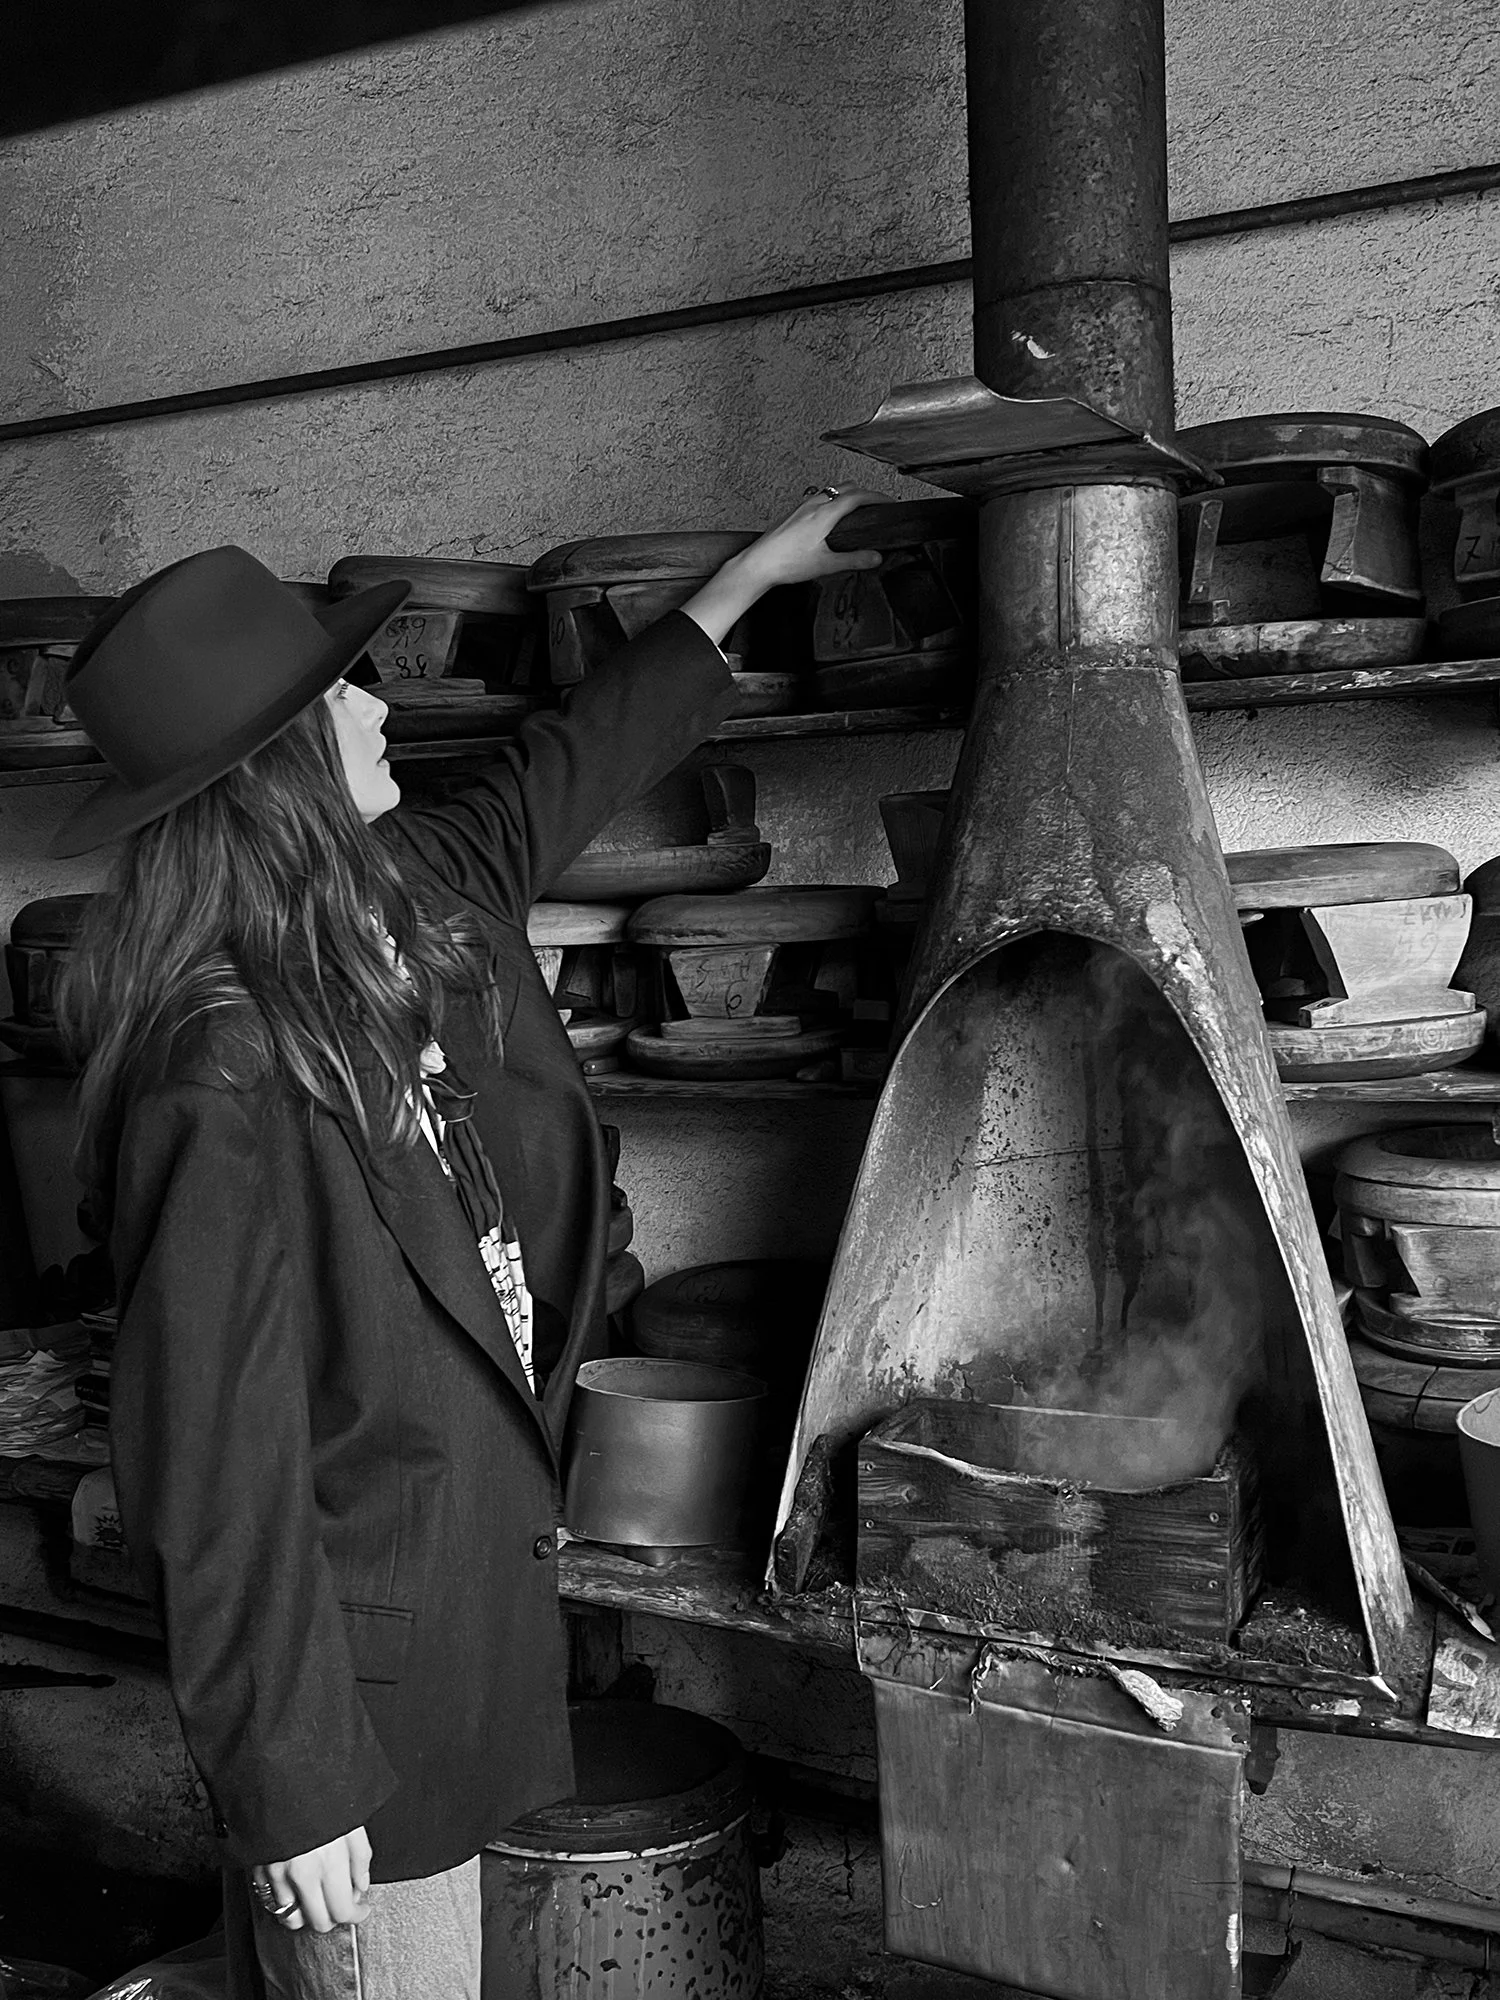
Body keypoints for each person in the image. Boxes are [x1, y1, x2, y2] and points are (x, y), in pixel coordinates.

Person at [52, 491, 881, 2000]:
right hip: (354, 1707)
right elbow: (208, 1466)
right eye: (333, 693)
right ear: (275, 771)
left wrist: (754, 571)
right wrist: (288, 1780)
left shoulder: (420, 897)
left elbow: (575, 756)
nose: (373, 702)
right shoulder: (217, 1073)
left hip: (467, 1623)